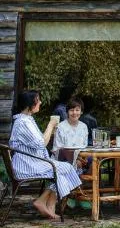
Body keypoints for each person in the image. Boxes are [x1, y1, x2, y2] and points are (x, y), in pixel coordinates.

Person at [9, 90, 82, 220]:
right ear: (29, 104)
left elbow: (38, 142)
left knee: (65, 167)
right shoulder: (23, 122)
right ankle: (43, 202)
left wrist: (52, 131)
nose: (40, 102)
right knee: (66, 168)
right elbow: (41, 143)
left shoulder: (26, 120)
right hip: (27, 166)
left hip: (32, 162)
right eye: (38, 100)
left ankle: (49, 204)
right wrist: (50, 125)